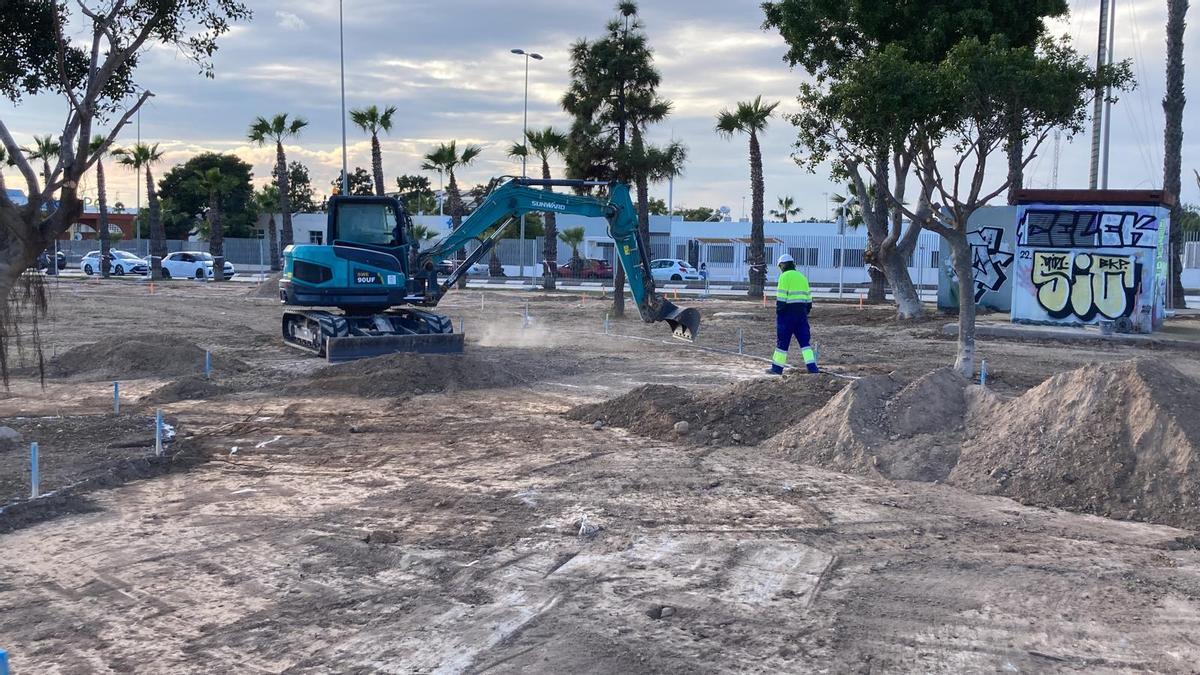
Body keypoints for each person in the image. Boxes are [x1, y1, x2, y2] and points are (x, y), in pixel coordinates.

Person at [768, 253, 818, 375]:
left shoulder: (784, 277)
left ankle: (777, 369)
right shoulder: (802, 277)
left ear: (783, 265)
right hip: (801, 315)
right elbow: (809, 300)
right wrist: (804, 312)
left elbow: (781, 298)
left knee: (782, 343)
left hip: (786, 315)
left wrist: (780, 313)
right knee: (805, 343)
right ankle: (812, 368)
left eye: (780, 266)